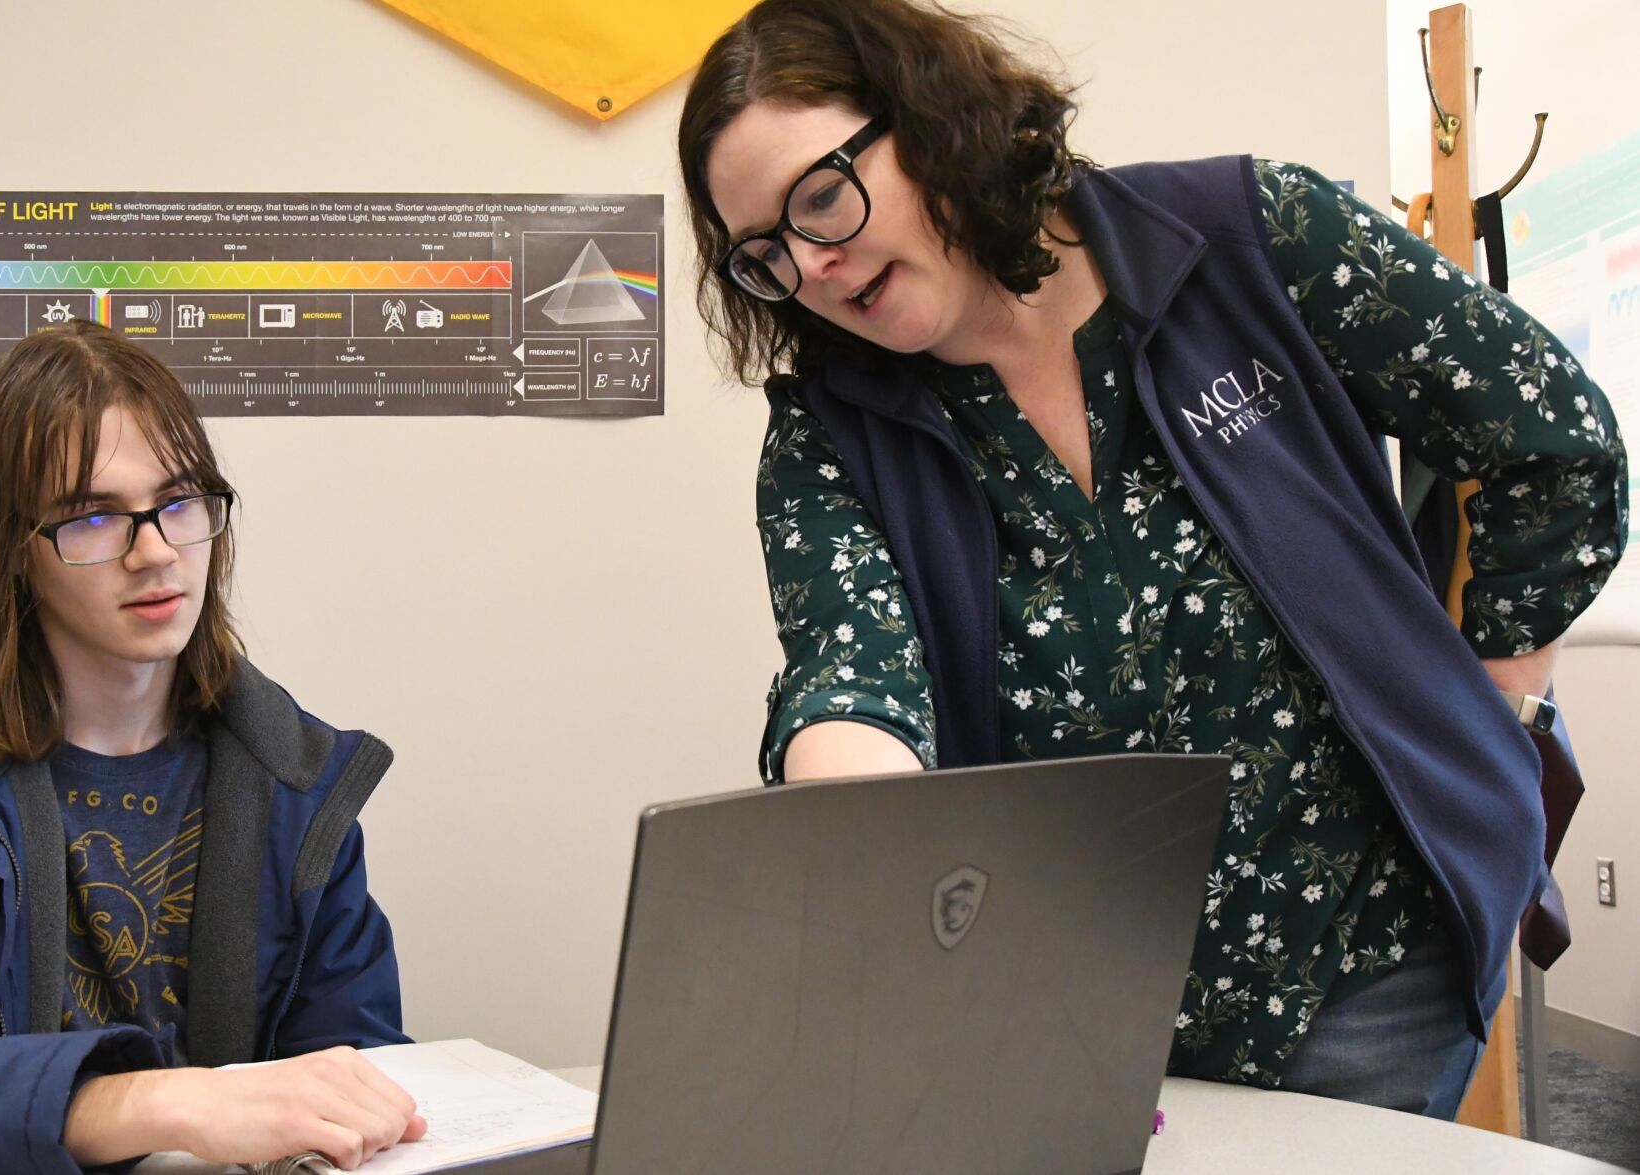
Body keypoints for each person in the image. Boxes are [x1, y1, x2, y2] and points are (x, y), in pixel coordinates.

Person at [677, 0, 1627, 1117]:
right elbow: (852, 672)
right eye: (765, 256)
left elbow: (1545, 435)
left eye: (821, 198)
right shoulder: (829, 431)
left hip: (1365, 949)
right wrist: (867, 847)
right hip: (1067, 994)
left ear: (929, 116)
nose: (814, 266)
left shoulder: (1245, 236)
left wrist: (1498, 697)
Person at [0, 322, 425, 1171]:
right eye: (93, 516)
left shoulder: (296, 781)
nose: (157, 551)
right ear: (12, 553)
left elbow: (357, 1068)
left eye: (178, 502)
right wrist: (166, 1099)